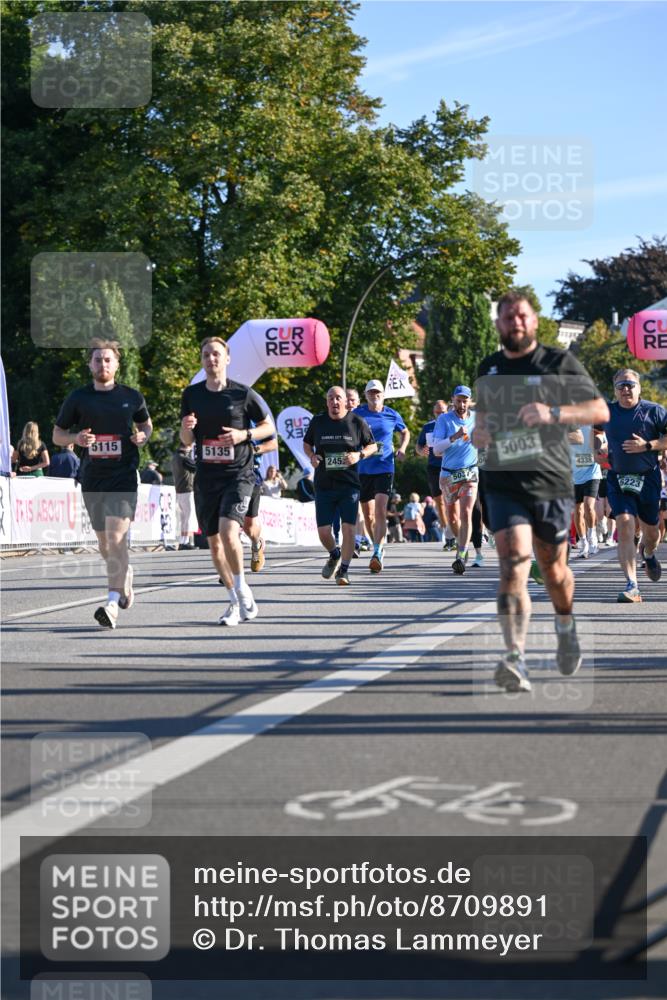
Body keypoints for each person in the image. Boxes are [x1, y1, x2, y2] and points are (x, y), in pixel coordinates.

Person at [473, 292, 609, 692]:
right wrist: (480, 432)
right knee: (513, 562)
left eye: (522, 315)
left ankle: (565, 624)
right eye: (508, 316)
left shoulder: (558, 362)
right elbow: (482, 419)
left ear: (534, 321)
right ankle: (514, 656)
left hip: (550, 482)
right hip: (503, 481)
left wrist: (554, 413)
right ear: (498, 324)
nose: (515, 321)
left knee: (553, 569)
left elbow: (599, 410)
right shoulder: (489, 368)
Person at [53, 339, 152, 629]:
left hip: (123, 475)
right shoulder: (78, 398)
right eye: (97, 360)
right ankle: (125, 575)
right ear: (90, 364)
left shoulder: (132, 397)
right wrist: (76, 438)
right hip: (93, 476)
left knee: (116, 536)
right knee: (104, 542)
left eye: (108, 359)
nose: (103, 364)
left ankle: (111, 604)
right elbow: (57, 434)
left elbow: (146, 424)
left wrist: (143, 436)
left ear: (117, 364)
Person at [180, 336, 275, 626]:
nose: (211, 359)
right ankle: (235, 601)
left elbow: (268, 427)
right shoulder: (192, 395)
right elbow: (186, 440)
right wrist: (186, 428)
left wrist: (243, 435)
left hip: (238, 474)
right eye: (206, 355)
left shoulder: (242, 394)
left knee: (228, 530)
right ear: (201, 360)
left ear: (227, 359)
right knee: (214, 544)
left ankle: (242, 589)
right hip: (207, 477)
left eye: (217, 354)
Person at [593, 369, 667, 603]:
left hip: (648, 477)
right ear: (615, 390)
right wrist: (598, 447)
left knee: (651, 532)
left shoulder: (654, 411)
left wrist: (648, 445)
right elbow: (596, 431)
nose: (626, 389)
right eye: (621, 385)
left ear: (639, 387)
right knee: (625, 523)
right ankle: (632, 585)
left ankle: (649, 553)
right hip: (618, 477)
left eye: (630, 384)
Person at [303, 386, 376, 585]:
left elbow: (372, 445)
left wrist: (359, 455)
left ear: (344, 401)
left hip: (349, 485)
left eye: (338, 398)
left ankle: (343, 570)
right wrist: (312, 456)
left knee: (349, 529)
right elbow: (307, 443)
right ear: (327, 402)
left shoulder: (357, 422)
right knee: (323, 532)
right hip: (324, 484)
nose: (334, 402)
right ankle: (334, 554)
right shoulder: (318, 421)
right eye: (330, 398)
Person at [355, 379, 409, 573]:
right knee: (368, 515)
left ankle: (377, 552)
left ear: (383, 395)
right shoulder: (357, 413)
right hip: (363, 468)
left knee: (379, 509)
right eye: (371, 392)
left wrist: (402, 448)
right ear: (366, 395)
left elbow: (405, 432)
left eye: (378, 392)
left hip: (385, 466)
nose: (374, 395)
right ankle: (376, 545)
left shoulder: (392, 414)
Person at [432, 385, 478, 575]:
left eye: (465, 401)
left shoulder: (477, 418)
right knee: (452, 518)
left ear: (470, 401)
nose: (462, 405)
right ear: (452, 400)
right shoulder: (444, 419)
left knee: (466, 512)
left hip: (470, 473)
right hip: (448, 474)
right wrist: (454, 437)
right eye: (458, 401)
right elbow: (436, 450)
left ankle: (461, 553)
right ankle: (461, 543)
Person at [416, 400, 454, 548]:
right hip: (434, 467)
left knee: (451, 501)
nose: (440, 414)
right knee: (439, 501)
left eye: (442, 412)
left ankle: (453, 530)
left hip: (451, 466)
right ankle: (447, 533)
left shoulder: (452, 424)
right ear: (434, 412)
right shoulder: (428, 427)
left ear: (447, 411)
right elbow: (418, 446)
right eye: (437, 412)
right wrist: (421, 451)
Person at [569, 426, 601, 558]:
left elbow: (602, 438)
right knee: (578, 510)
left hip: (591, 473)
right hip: (574, 475)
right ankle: (583, 543)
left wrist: (599, 446)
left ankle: (592, 535)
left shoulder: (592, 424)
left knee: (588, 505)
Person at [171, 444, 197, 549]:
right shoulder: (184, 458)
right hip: (187, 490)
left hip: (180, 490)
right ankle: (186, 542)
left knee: (184, 518)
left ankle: (183, 541)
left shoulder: (175, 457)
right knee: (189, 517)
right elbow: (196, 467)